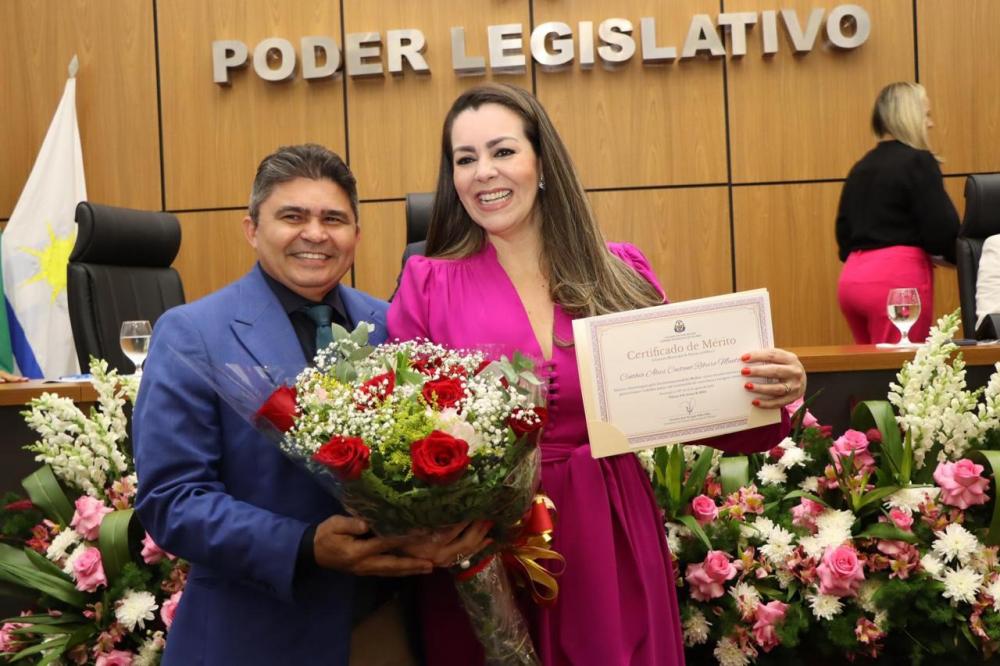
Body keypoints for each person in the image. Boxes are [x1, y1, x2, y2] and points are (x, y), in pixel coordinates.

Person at [388, 84, 807, 666]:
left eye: (502, 151)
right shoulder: (427, 284)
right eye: (465, 159)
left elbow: (706, 412)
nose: (484, 172)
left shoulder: (616, 273)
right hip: (485, 551)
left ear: (543, 162)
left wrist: (772, 390)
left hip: (608, 538)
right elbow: (398, 440)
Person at [133, 144, 488, 665]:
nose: (316, 234)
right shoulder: (193, 335)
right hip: (254, 634)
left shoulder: (396, 325)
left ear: (356, 238)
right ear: (252, 229)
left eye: (334, 219)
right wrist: (303, 545)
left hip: (386, 628)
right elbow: (172, 500)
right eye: (292, 216)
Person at [836, 82, 960, 344]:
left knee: (872, 375)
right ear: (910, 116)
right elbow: (943, 230)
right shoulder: (918, 161)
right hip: (897, 286)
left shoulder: (861, 166)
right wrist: (963, 258)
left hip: (852, 282)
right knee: (906, 376)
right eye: (926, 115)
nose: (931, 124)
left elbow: (843, 234)